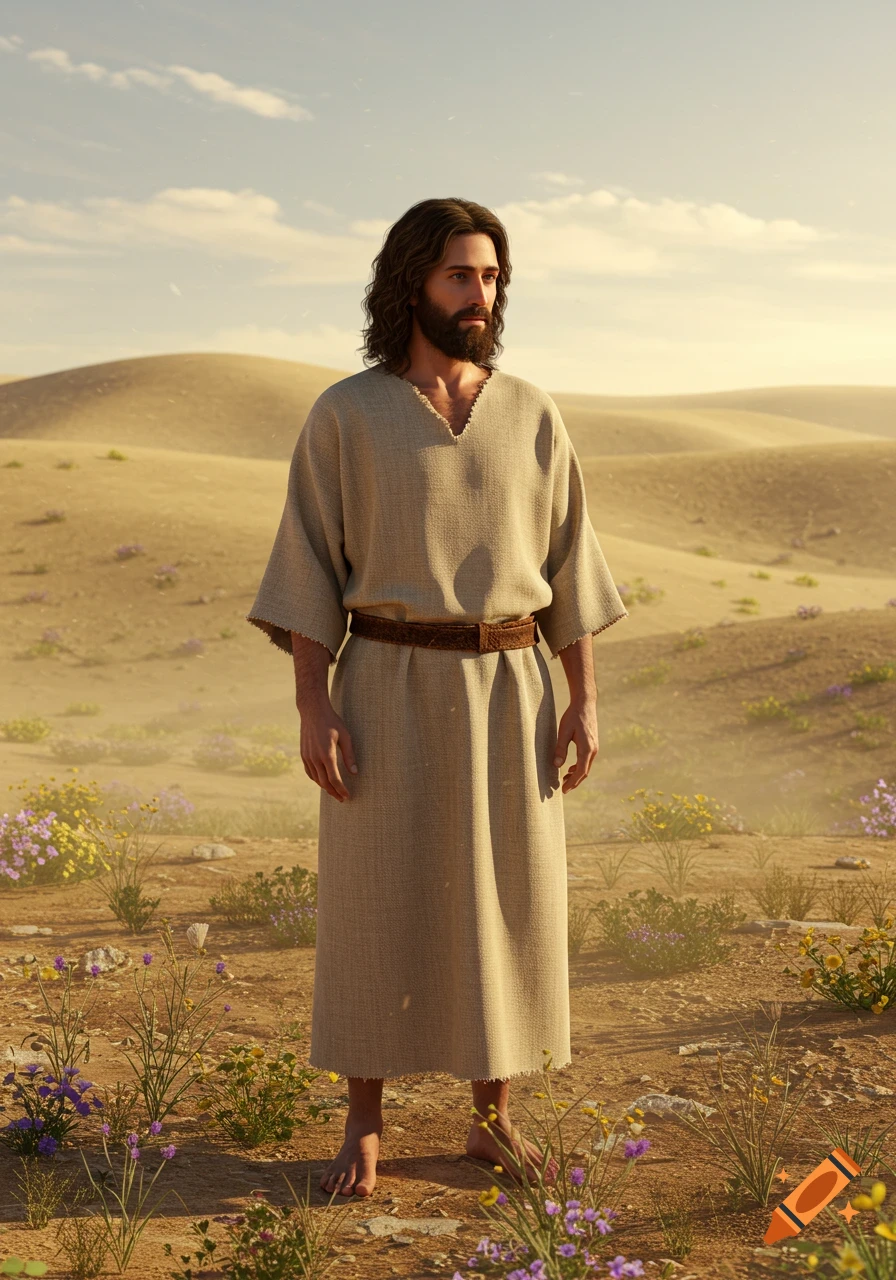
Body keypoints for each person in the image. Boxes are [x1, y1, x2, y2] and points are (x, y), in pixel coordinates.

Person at [246, 197, 628, 1198]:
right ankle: (363, 1123)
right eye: (460, 275)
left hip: (510, 689)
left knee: (500, 904)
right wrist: (312, 704)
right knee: (375, 897)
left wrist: (581, 699)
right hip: (381, 682)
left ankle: (489, 1121)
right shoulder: (345, 413)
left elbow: (568, 567)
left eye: (492, 277)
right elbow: (306, 575)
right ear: (414, 279)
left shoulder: (531, 412)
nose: (479, 295)